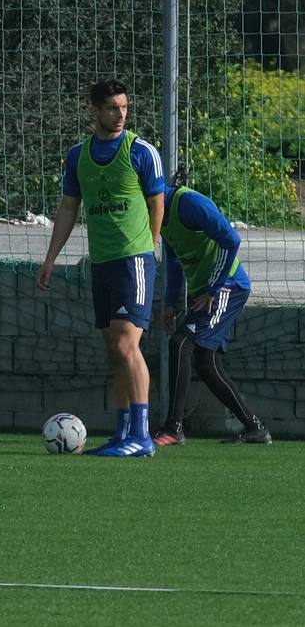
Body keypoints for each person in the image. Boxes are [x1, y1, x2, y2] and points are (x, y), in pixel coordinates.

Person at [37, 78, 164, 457]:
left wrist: (149, 247)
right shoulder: (79, 156)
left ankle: (141, 437)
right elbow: (68, 207)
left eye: (124, 107)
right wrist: (51, 258)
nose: (120, 114)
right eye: (112, 107)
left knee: (127, 345)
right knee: (114, 349)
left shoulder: (141, 151)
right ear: (94, 110)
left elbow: (158, 203)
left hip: (133, 261)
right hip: (103, 262)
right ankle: (123, 432)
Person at [153, 185, 271, 446]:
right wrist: (171, 301)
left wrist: (213, 288)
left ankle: (173, 427)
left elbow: (231, 240)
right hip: (205, 292)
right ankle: (255, 428)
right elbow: (172, 258)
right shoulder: (159, 212)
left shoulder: (190, 203)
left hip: (227, 286)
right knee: (207, 364)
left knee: (181, 343)